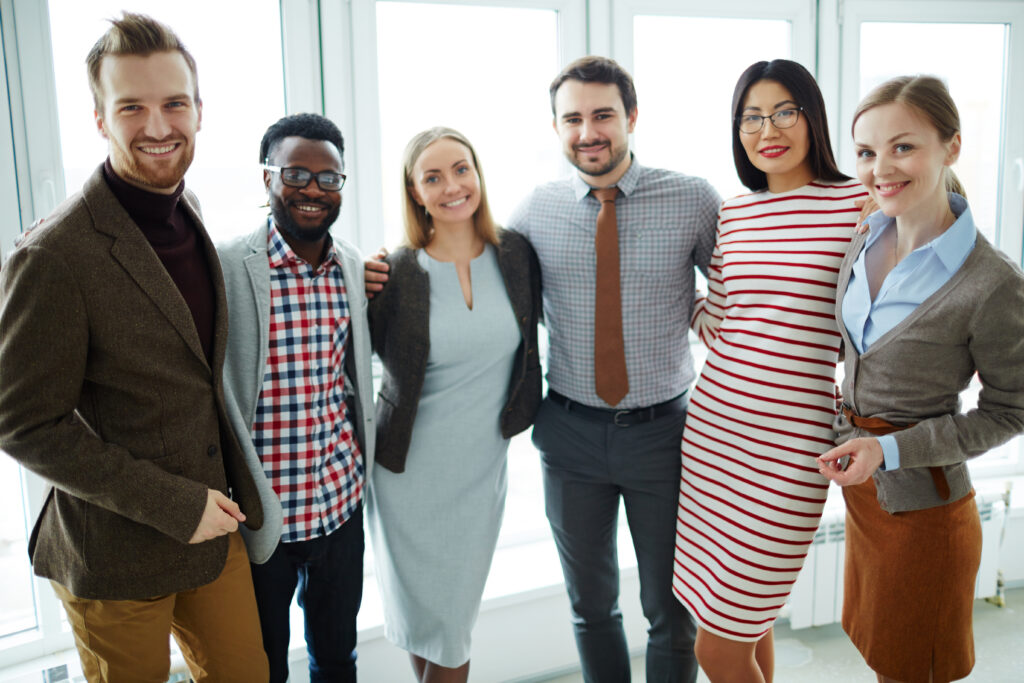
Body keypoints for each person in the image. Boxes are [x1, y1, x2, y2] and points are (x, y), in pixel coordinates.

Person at [0, 13, 268, 682]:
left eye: (174, 103)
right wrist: (177, 505)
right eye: (131, 107)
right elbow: (25, 423)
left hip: (213, 532)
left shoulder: (192, 208)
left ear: (200, 110)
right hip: (114, 550)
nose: (157, 126)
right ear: (99, 118)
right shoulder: (52, 256)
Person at [513, 56, 718, 683]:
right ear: (555, 128)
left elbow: (741, 284)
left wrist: (711, 305)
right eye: (572, 118)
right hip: (569, 434)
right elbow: (472, 278)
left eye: (602, 114)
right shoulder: (534, 212)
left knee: (671, 607)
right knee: (590, 606)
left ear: (631, 116)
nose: (588, 132)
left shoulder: (692, 198)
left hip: (666, 434)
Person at [818, 75, 1024, 683]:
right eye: (866, 152)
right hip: (864, 495)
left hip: (925, 518)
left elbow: (1011, 411)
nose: (881, 167)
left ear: (952, 146)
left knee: (913, 668)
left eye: (903, 147)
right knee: (885, 657)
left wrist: (886, 449)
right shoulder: (864, 231)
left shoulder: (992, 282)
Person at [672, 59, 867, 682]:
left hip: (793, 449)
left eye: (785, 110)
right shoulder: (735, 213)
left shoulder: (859, 205)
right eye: (751, 117)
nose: (767, 128)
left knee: (717, 649)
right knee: (733, 625)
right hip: (714, 437)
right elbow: (721, 320)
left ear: (813, 116)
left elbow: (885, 316)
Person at [366, 126, 541, 683]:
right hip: (407, 477)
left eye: (461, 169)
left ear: (478, 174)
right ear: (415, 192)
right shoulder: (394, 273)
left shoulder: (515, 254)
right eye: (433, 177)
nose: (452, 186)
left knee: (449, 628)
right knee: (431, 628)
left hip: (480, 473)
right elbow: (348, 356)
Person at [219, 113, 375, 682]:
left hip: (338, 503)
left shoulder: (354, 268)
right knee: (261, 667)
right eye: (296, 173)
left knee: (337, 659)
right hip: (259, 515)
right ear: (267, 179)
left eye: (328, 178)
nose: (313, 189)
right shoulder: (227, 266)